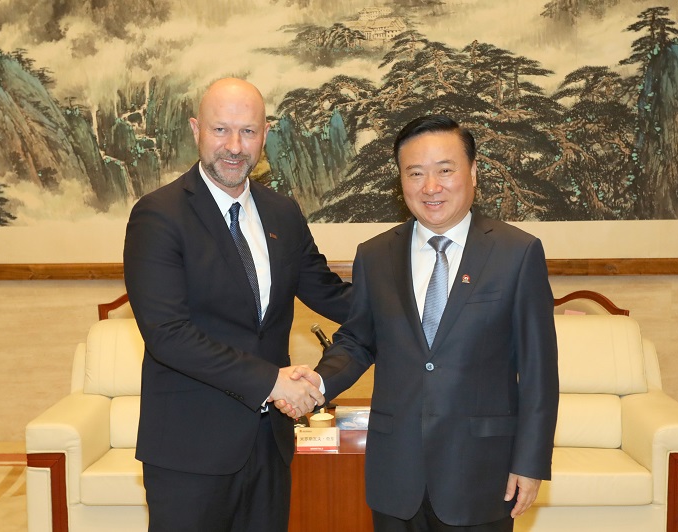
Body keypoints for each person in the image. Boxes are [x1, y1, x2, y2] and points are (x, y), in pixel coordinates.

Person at [282, 115, 559, 531]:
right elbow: (358, 340)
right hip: (397, 472)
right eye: (415, 173)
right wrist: (317, 383)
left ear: (473, 172)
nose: (431, 187)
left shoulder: (516, 253)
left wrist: (530, 462)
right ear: (401, 181)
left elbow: (539, 370)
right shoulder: (375, 255)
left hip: (481, 472)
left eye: (445, 170)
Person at [123, 77, 351, 532]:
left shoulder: (283, 212)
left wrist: (415, 298)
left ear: (265, 134)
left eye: (247, 131)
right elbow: (169, 335)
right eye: (220, 130)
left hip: (269, 446)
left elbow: (330, 293)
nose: (234, 146)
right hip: (190, 451)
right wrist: (272, 381)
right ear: (196, 130)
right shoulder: (158, 215)